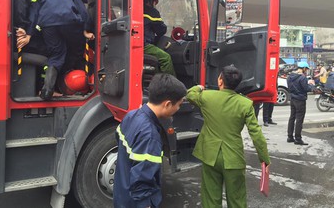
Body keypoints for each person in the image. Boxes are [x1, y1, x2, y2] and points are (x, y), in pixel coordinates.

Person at [186, 65, 270, 208]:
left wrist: (199, 87)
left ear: (220, 80)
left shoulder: (207, 97)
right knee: (237, 200)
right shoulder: (245, 103)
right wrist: (264, 159)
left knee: (211, 199)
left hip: (210, 155)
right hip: (233, 157)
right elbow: (256, 134)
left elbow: (189, 94)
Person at [113, 73, 187, 208]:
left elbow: (118, 139)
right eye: (179, 104)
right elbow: (142, 182)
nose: (178, 109)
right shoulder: (150, 136)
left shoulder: (131, 115)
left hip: (121, 195)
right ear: (168, 104)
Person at [17, 0, 95, 100]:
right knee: (76, 49)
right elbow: (82, 10)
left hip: (48, 25)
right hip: (70, 21)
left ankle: (47, 90)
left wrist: (29, 34)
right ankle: (68, 74)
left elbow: (33, 13)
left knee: (56, 54)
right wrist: (86, 30)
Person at [143, 0, 176, 76]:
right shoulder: (151, 11)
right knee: (165, 58)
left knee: (156, 61)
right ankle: (169, 85)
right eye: (154, 3)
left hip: (133, 43)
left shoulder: (134, 10)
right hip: (143, 45)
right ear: (150, 2)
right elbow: (161, 30)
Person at [287, 61, 315, 145]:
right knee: (299, 119)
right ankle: (298, 139)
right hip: (300, 100)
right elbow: (306, 88)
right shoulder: (302, 77)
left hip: (293, 99)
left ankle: (290, 137)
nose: (306, 71)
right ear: (303, 68)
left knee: (292, 117)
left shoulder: (290, 77)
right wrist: (311, 85)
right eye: (306, 69)